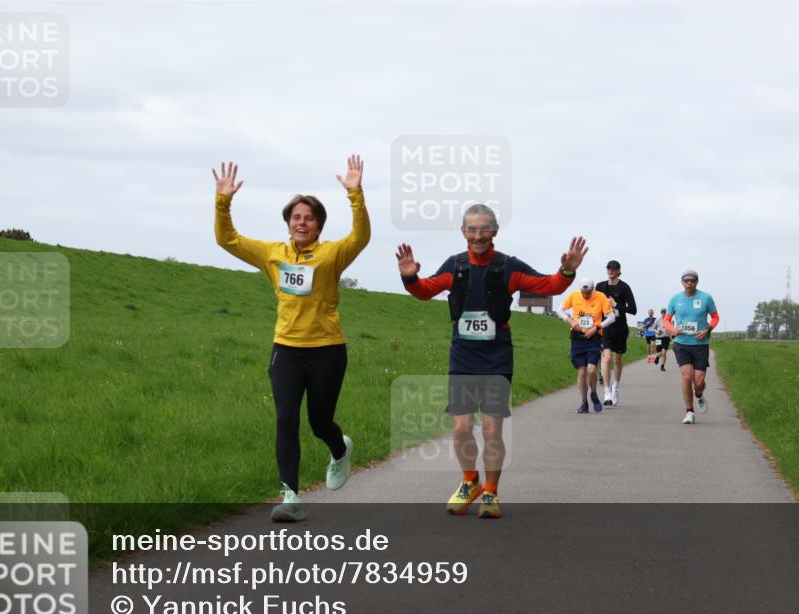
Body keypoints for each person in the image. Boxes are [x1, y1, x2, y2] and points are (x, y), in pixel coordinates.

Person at [396, 205, 586, 518]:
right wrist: (410, 276)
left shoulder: (507, 266)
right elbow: (424, 291)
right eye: (472, 229)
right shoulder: (455, 265)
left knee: (491, 430)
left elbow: (549, 286)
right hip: (463, 354)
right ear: (463, 233)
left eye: (484, 229)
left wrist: (567, 271)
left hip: (497, 355)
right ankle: (470, 482)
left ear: (495, 231)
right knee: (460, 428)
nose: (478, 235)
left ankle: (491, 494)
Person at [213, 156, 370, 521]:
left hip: (327, 350)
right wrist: (223, 202)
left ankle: (339, 449)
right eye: (296, 217)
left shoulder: (332, 255)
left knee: (319, 421)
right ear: (288, 223)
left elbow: (360, 237)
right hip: (286, 349)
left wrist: (355, 194)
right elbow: (228, 239)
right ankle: (290, 497)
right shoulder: (273, 254)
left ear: (318, 225)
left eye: (309, 217)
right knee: (286, 419)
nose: (302, 222)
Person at [664, 269, 719, 424]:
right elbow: (667, 320)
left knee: (699, 381)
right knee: (687, 377)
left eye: (692, 281)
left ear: (697, 282)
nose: (689, 283)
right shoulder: (675, 299)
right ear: (682, 282)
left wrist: (708, 329)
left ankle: (699, 395)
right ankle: (689, 412)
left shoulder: (706, 298)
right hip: (682, 344)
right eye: (686, 280)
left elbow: (715, 317)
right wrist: (673, 330)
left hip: (701, 344)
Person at [560, 279, 615, 413]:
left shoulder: (601, 297)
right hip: (578, 339)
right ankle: (584, 402)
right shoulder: (574, 295)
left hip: (594, 339)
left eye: (588, 293)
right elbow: (560, 309)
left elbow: (611, 317)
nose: (585, 296)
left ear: (593, 289)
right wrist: (571, 321)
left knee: (591, 369)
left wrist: (597, 327)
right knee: (582, 371)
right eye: (583, 293)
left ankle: (594, 393)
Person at [595, 260, 637, 406]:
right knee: (606, 359)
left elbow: (633, 310)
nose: (611, 271)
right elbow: (594, 305)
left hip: (620, 327)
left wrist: (616, 305)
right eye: (609, 268)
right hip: (606, 327)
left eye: (614, 269)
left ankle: (615, 388)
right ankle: (606, 392)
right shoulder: (600, 286)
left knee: (617, 359)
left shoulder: (624, 287)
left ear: (619, 271)